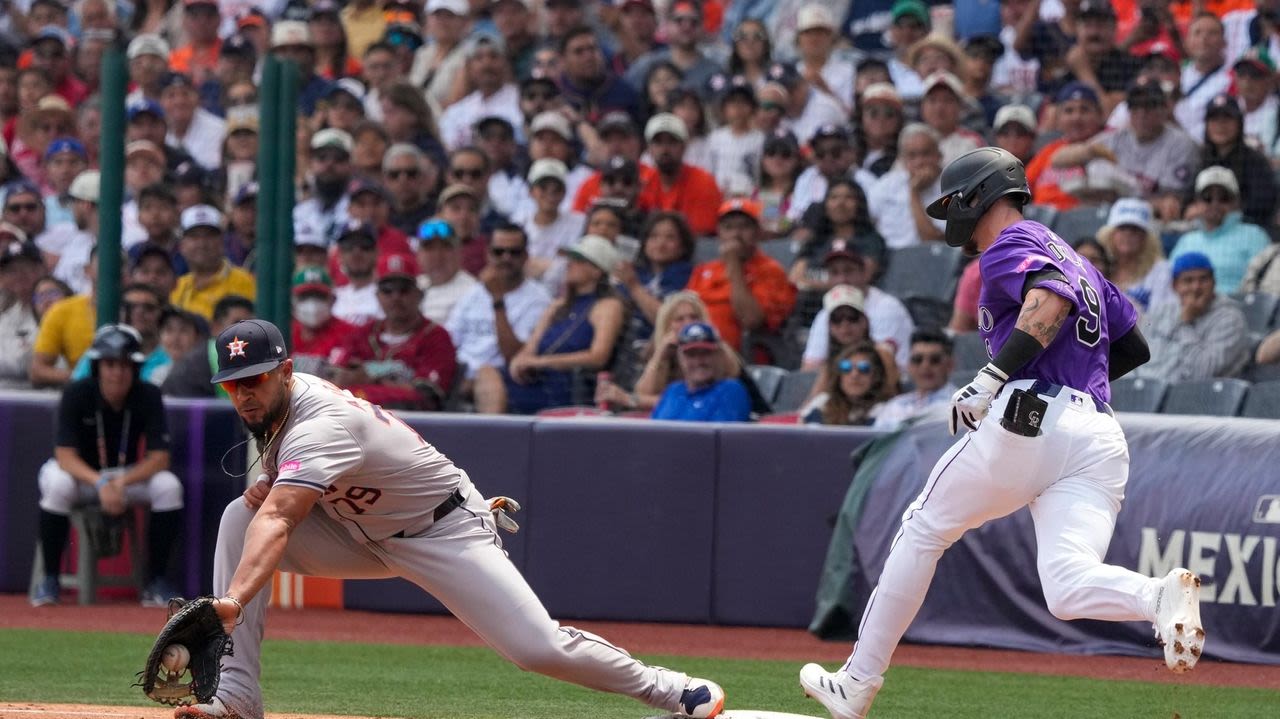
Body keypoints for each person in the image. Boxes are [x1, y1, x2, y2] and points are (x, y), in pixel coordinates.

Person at [799, 147, 1204, 719]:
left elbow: (1048, 299)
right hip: (1097, 433)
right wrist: (1068, 384)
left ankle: (858, 681)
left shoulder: (1010, 242)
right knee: (1066, 588)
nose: (951, 217)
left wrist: (993, 377)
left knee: (923, 528)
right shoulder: (1079, 259)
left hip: (1030, 413)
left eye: (954, 203)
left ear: (978, 196)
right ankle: (1156, 595)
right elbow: (1132, 346)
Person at [173, 317, 725, 719]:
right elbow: (280, 500)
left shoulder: (320, 421)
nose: (245, 393)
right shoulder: (280, 411)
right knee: (236, 519)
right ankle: (237, 697)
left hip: (445, 530)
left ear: (286, 372)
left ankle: (674, 690)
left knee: (535, 648)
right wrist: (273, 480)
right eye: (234, 384)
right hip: (365, 534)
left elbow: (281, 521)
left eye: (257, 379)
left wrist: (233, 603)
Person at [31, 324, 184, 608]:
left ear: (135, 369)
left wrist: (119, 484)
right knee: (57, 484)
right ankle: (50, 579)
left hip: (123, 475)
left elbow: (159, 458)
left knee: (168, 486)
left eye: (125, 365)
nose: (117, 372)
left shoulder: (148, 394)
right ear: (98, 366)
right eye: (110, 364)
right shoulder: (77, 392)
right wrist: (101, 483)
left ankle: (157, 581)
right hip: (80, 475)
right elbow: (64, 455)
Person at [499, 235, 626, 414]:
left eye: (579, 260)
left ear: (597, 270)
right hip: (535, 378)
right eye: (571, 259)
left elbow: (598, 356)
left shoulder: (607, 305)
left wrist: (542, 362)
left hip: (568, 385)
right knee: (488, 373)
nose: (569, 264)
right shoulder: (559, 304)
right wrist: (519, 361)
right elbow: (531, 346)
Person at [330, 253, 458, 412]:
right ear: (377, 296)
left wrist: (371, 382)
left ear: (419, 295)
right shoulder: (362, 334)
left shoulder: (436, 337)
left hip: (412, 425)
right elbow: (335, 380)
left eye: (404, 290)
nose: (396, 297)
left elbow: (427, 396)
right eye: (387, 291)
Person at [450, 224, 554, 413]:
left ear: (525, 256)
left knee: (486, 374)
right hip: (459, 377)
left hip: (504, 380)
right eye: (499, 252)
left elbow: (515, 356)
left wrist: (498, 303)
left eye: (514, 252)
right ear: (488, 255)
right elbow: (450, 342)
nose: (506, 258)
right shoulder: (472, 293)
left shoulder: (539, 300)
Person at [687, 199, 796, 355]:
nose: (735, 235)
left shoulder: (771, 271)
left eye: (744, 227)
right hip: (693, 349)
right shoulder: (704, 269)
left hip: (741, 357)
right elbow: (683, 310)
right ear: (719, 232)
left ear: (757, 232)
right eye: (728, 227)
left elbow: (751, 320)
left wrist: (733, 265)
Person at [1135, 252, 1250, 383]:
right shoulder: (1161, 312)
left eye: (1203, 279)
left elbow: (1203, 372)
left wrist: (1185, 324)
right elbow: (1136, 360)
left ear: (1214, 282)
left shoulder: (1230, 319)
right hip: (1152, 392)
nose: (1196, 287)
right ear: (1175, 286)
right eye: (1188, 281)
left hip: (1204, 398)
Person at [1170, 166, 1271, 294]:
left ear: (1236, 202)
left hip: (1239, 308)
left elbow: (1266, 287)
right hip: (1188, 308)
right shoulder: (1187, 241)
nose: (1215, 203)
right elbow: (1170, 285)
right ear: (1197, 202)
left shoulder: (1254, 236)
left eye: (1224, 198)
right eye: (1207, 198)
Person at [638, 113, 723, 237]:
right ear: (649, 148)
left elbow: (703, 233)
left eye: (672, 142)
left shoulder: (703, 181)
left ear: (684, 146)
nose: (665, 149)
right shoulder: (644, 181)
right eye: (658, 142)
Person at [170, 205, 257, 321]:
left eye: (209, 236)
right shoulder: (176, 288)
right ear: (182, 245)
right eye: (194, 237)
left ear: (222, 241)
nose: (202, 244)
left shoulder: (246, 282)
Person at [651, 322, 752, 422]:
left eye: (705, 353)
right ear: (680, 359)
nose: (698, 361)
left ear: (719, 356)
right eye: (691, 355)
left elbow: (721, 435)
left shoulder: (730, 390)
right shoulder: (673, 391)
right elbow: (651, 432)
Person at [161, 295, 255, 398]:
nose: (246, 331)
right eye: (236, 323)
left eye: (251, 324)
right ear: (216, 327)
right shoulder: (190, 370)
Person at [1096, 198, 1175, 313]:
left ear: (1146, 238)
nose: (1128, 234)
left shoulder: (1162, 271)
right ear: (1110, 234)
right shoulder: (1099, 269)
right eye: (1122, 228)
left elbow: (1163, 314)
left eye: (1135, 229)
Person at [873, 329, 958, 429]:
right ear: (909, 365)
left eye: (934, 360)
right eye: (917, 360)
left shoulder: (962, 405)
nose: (925, 366)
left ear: (950, 365)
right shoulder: (894, 406)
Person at [798, 342, 891, 426]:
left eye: (864, 368)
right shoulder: (822, 403)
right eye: (846, 367)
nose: (854, 375)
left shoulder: (887, 411)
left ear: (876, 376)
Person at [290, 267, 357, 378]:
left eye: (319, 296)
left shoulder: (349, 333)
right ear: (293, 300)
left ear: (332, 299)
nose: (312, 303)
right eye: (304, 296)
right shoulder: (286, 333)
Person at [416, 218, 478, 325]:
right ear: (419, 255)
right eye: (429, 249)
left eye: (445, 247)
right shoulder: (412, 286)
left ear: (459, 252)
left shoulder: (473, 292)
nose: (437, 256)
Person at [0, 236, 43, 389]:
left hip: (39, 397)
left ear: (41, 270)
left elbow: (25, 364)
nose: (19, 276)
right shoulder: (7, 313)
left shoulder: (52, 306)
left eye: (26, 268)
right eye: (11, 271)